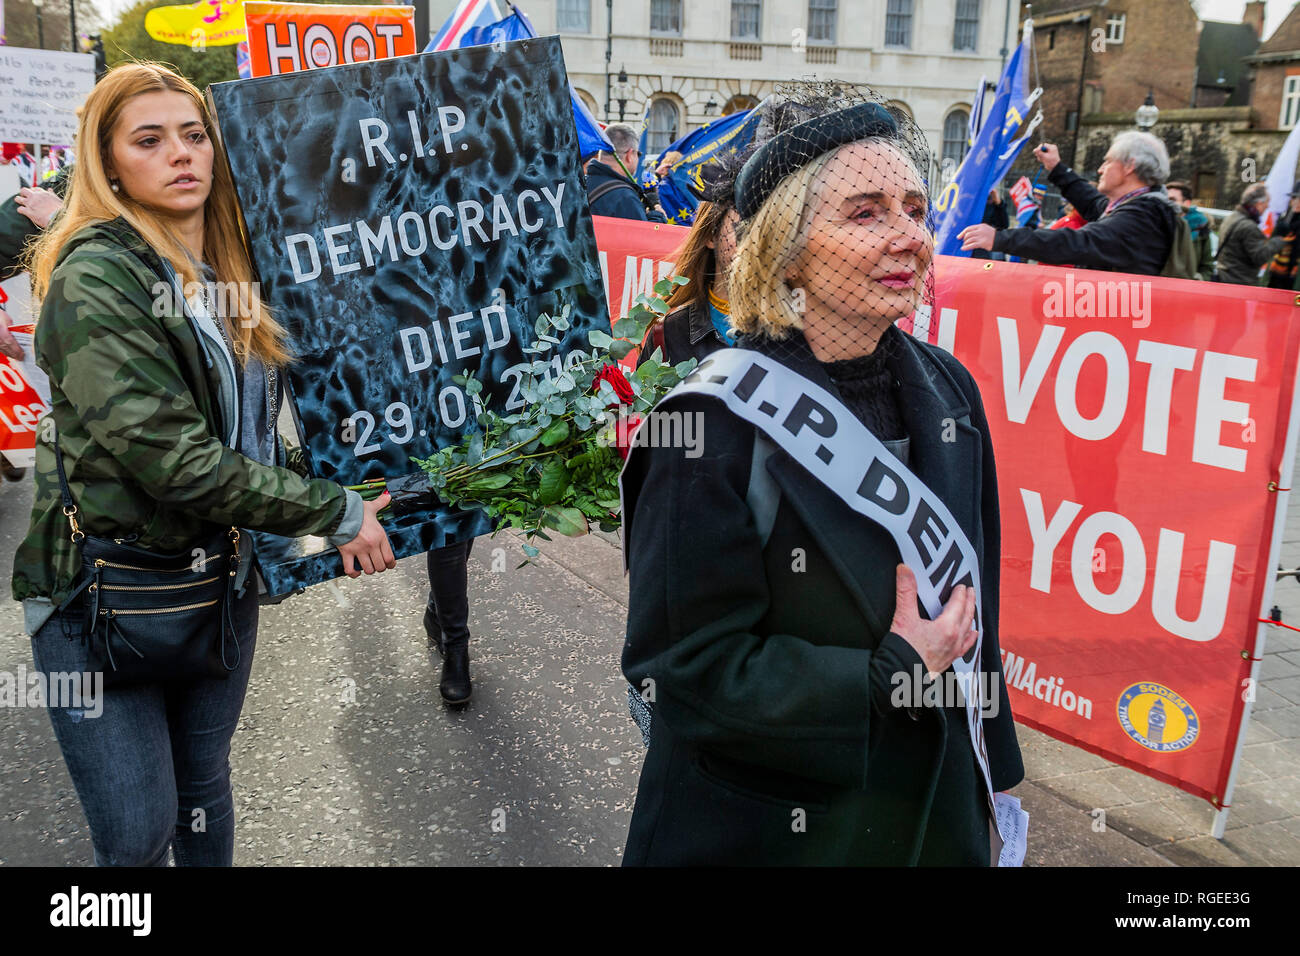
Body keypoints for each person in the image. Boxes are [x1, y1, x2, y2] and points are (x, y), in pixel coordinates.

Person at [619, 95, 1023, 866]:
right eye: (866, 213)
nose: (910, 236)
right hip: (772, 829)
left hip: (930, 815)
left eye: (914, 208)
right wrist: (885, 677)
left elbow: (975, 610)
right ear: (790, 250)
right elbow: (682, 672)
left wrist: (993, 781)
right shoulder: (710, 422)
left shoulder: (952, 390)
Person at [15, 62, 397, 866]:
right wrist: (333, 512)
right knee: (136, 834)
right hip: (97, 594)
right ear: (108, 162)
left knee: (203, 797)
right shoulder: (97, 273)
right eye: (149, 140)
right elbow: (172, 460)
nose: (181, 154)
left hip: (218, 578)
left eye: (194, 136)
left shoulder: (232, 266)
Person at [957, 133, 1179, 275]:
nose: (1101, 169)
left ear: (1130, 166)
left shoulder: (1142, 216)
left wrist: (999, 238)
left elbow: (1077, 242)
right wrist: (1056, 168)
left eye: (1108, 161)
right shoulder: (1142, 206)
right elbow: (1094, 204)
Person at [640, 158, 744, 365]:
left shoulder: (799, 333)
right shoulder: (668, 333)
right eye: (742, 227)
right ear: (710, 236)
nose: (755, 241)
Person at [1216, 183, 1284, 286]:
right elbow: (1260, 257)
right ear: (1259, 203)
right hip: (1240, 282)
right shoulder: (1249, 226)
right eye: (1267, 202)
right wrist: (1278, 241)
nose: (1268, 206)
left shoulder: (1232, 217)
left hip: (1225, 277)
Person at [584, 122, 649, 221]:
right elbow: (643, 235)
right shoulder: (625, 199)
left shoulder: (579, 184)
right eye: (638, 154)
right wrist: (657, 217)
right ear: (630, 155)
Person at [1165, 180, 1214, 281]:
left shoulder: (1200, 228)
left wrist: (1198, 281)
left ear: (1186, 203)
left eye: (1172, 200)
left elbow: (1207, 266)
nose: (1167, 204)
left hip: (1188, 288)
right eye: (1165, 199)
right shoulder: (1158, 224)